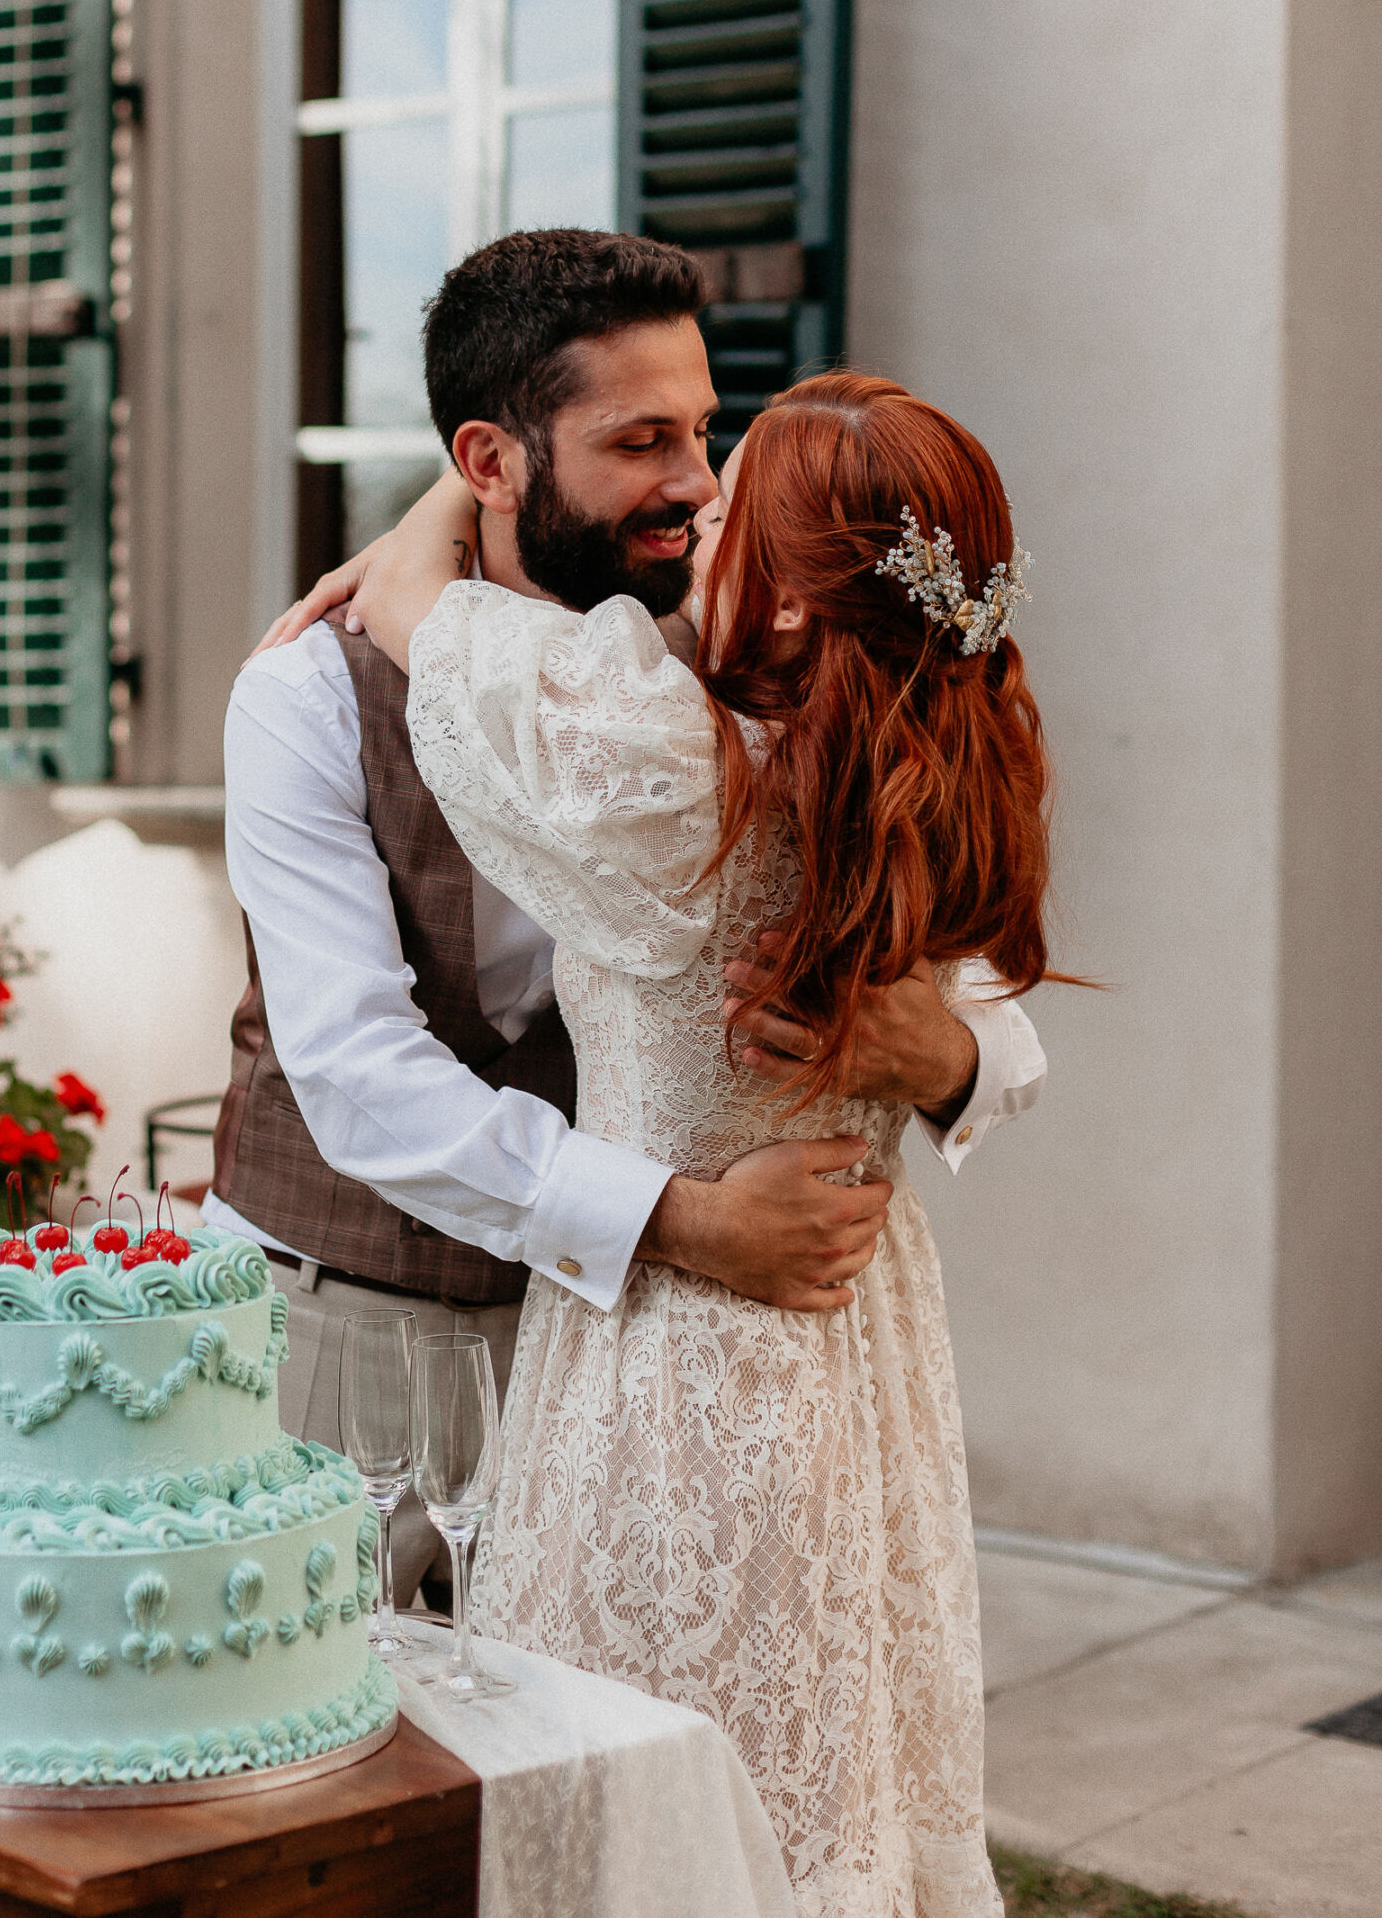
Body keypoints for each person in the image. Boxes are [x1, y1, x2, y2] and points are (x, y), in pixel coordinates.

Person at [292, 363, 1060, 1916]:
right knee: (829, 1785)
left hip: (679, 1367)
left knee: (648, 1806)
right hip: (869, 1350)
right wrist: (945, 1046)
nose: (700, 507)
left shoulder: (661, 757)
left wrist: (466, 482)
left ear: (786, 606)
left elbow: (410, 596)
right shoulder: (943, 762)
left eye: (736, 505)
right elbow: (1009, 1030)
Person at [212, 231, 1044, 1611]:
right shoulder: (311, 695)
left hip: (610, 1360)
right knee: (302, 1762)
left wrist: (938, 1053)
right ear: (489, 462)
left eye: (705, 433)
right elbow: (355, 1075)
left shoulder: (740, 666)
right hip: (344, 1333)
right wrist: (681, 1221)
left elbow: (985, 1014)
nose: (698, 485)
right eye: (642, 441)